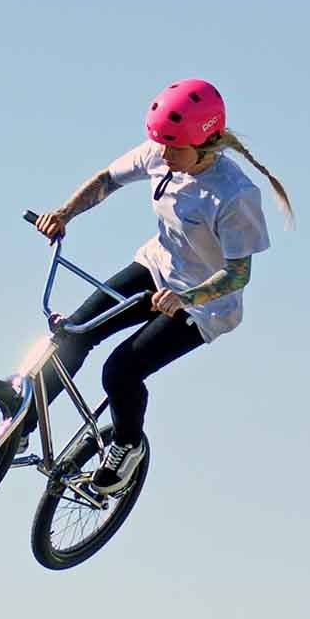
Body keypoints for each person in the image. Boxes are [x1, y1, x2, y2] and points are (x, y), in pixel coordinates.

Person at [23, 78, 294, 493]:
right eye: (161, 144)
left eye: (174, 148)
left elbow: (239, 274)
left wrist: (185, 298)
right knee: (73, 333)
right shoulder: (161, 152)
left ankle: (127, 445)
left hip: (203, 306)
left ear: (205, 142)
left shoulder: (234, 196)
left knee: (120, 370)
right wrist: (63, 214)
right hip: (155, 268)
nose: (163, 155)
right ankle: (19, 429)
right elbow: (107, 180)